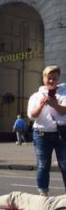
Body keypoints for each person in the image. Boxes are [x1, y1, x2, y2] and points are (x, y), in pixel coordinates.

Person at [27, 65, 66, 197]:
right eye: (49, 78)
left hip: (62, 133)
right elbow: (32, 116)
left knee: (65, 165)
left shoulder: (64, 92)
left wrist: (54, 104)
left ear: (58, 79)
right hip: (41, 134)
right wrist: (42, 104)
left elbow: (64, 110)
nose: (51, 81)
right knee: (43, 166)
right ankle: (43, 194)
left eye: (54, 78)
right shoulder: (35, 96)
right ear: (44, 78)